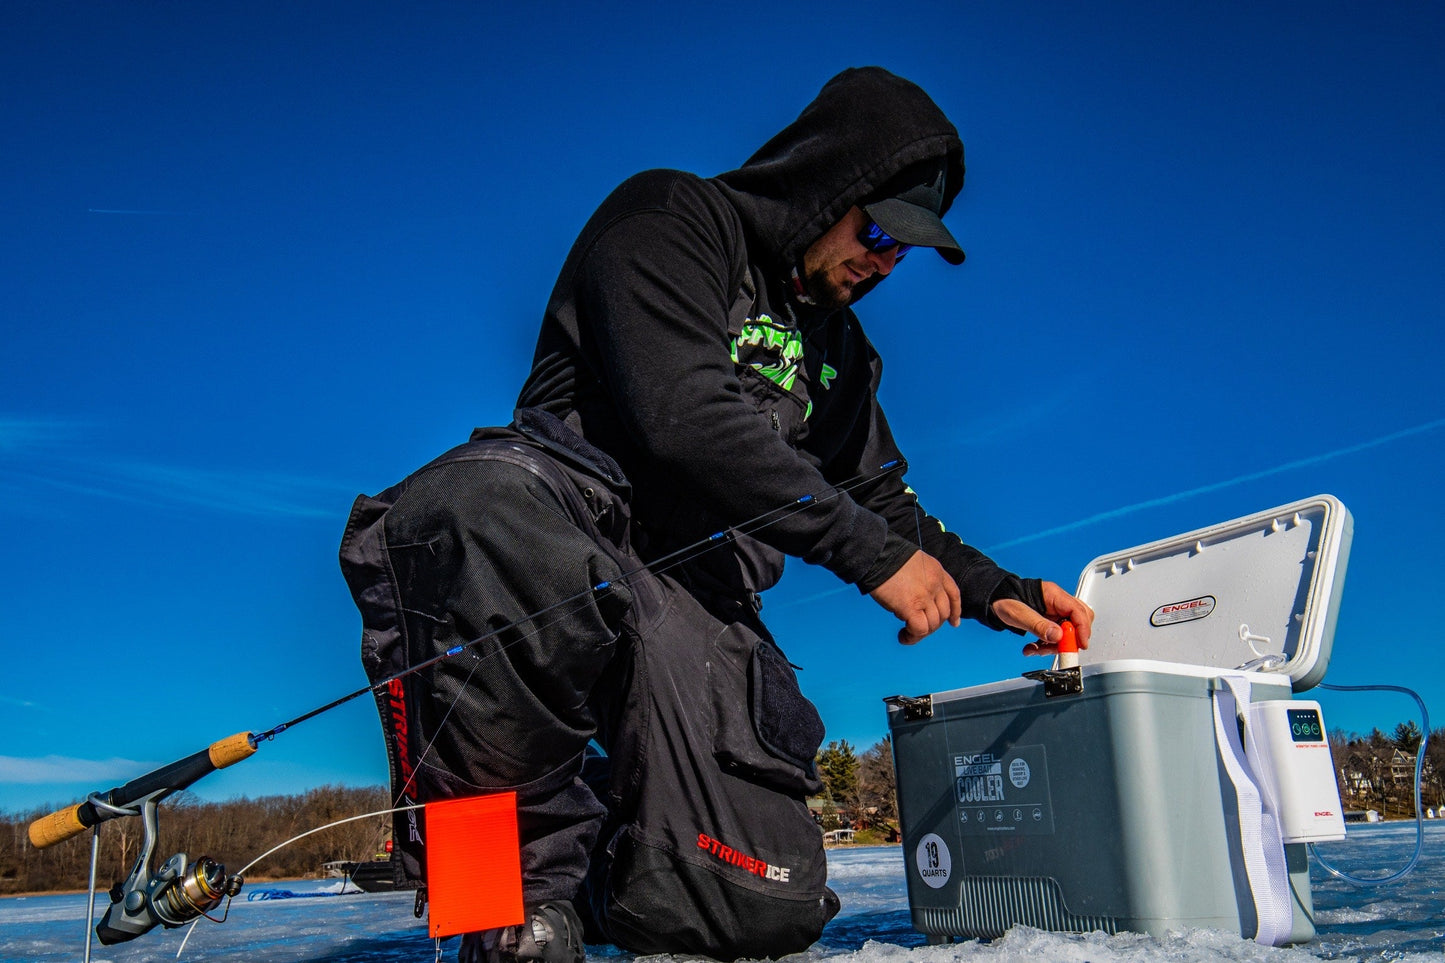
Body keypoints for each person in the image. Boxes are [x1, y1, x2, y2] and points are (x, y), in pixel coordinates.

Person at [339, 66, 1094, 963]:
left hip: (695, 597)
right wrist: (866, 555)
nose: (885, 260)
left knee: (753, 904)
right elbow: (683, 414)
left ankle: (604, 841)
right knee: (478, 507)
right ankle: (501, 911)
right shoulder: (675, 219)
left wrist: (995, 589)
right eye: (878, 229)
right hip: (568, 524)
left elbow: (881, 497)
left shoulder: (841, 355)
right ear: (827, 185)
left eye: (905, 252)